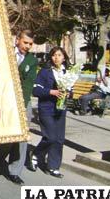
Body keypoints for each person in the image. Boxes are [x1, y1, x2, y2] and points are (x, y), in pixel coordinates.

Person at [29, 46, 70, 178]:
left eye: (59, 55)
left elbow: (71, 89)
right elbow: (35, 90)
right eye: (54, 55)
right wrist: (51, 92)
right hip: (46, 108)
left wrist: (68, 94)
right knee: (50, 137)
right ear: (50, 57)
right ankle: (36, 153)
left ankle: (53, 167)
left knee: (59, 139)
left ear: (64, 57)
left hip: (60, 109)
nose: (56, 57)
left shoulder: (67, 72)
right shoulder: (45, 71)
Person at [6, 30, 38, 185]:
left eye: (31, 44)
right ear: (17, 40)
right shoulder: (5, 50)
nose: (28, 46)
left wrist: (21, 106)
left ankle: (15, 171)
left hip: (22, 100)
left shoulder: (32, 60)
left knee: (23, 136)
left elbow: (28, 84)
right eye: (25, 42)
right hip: (4, 97)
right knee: (5, 133)